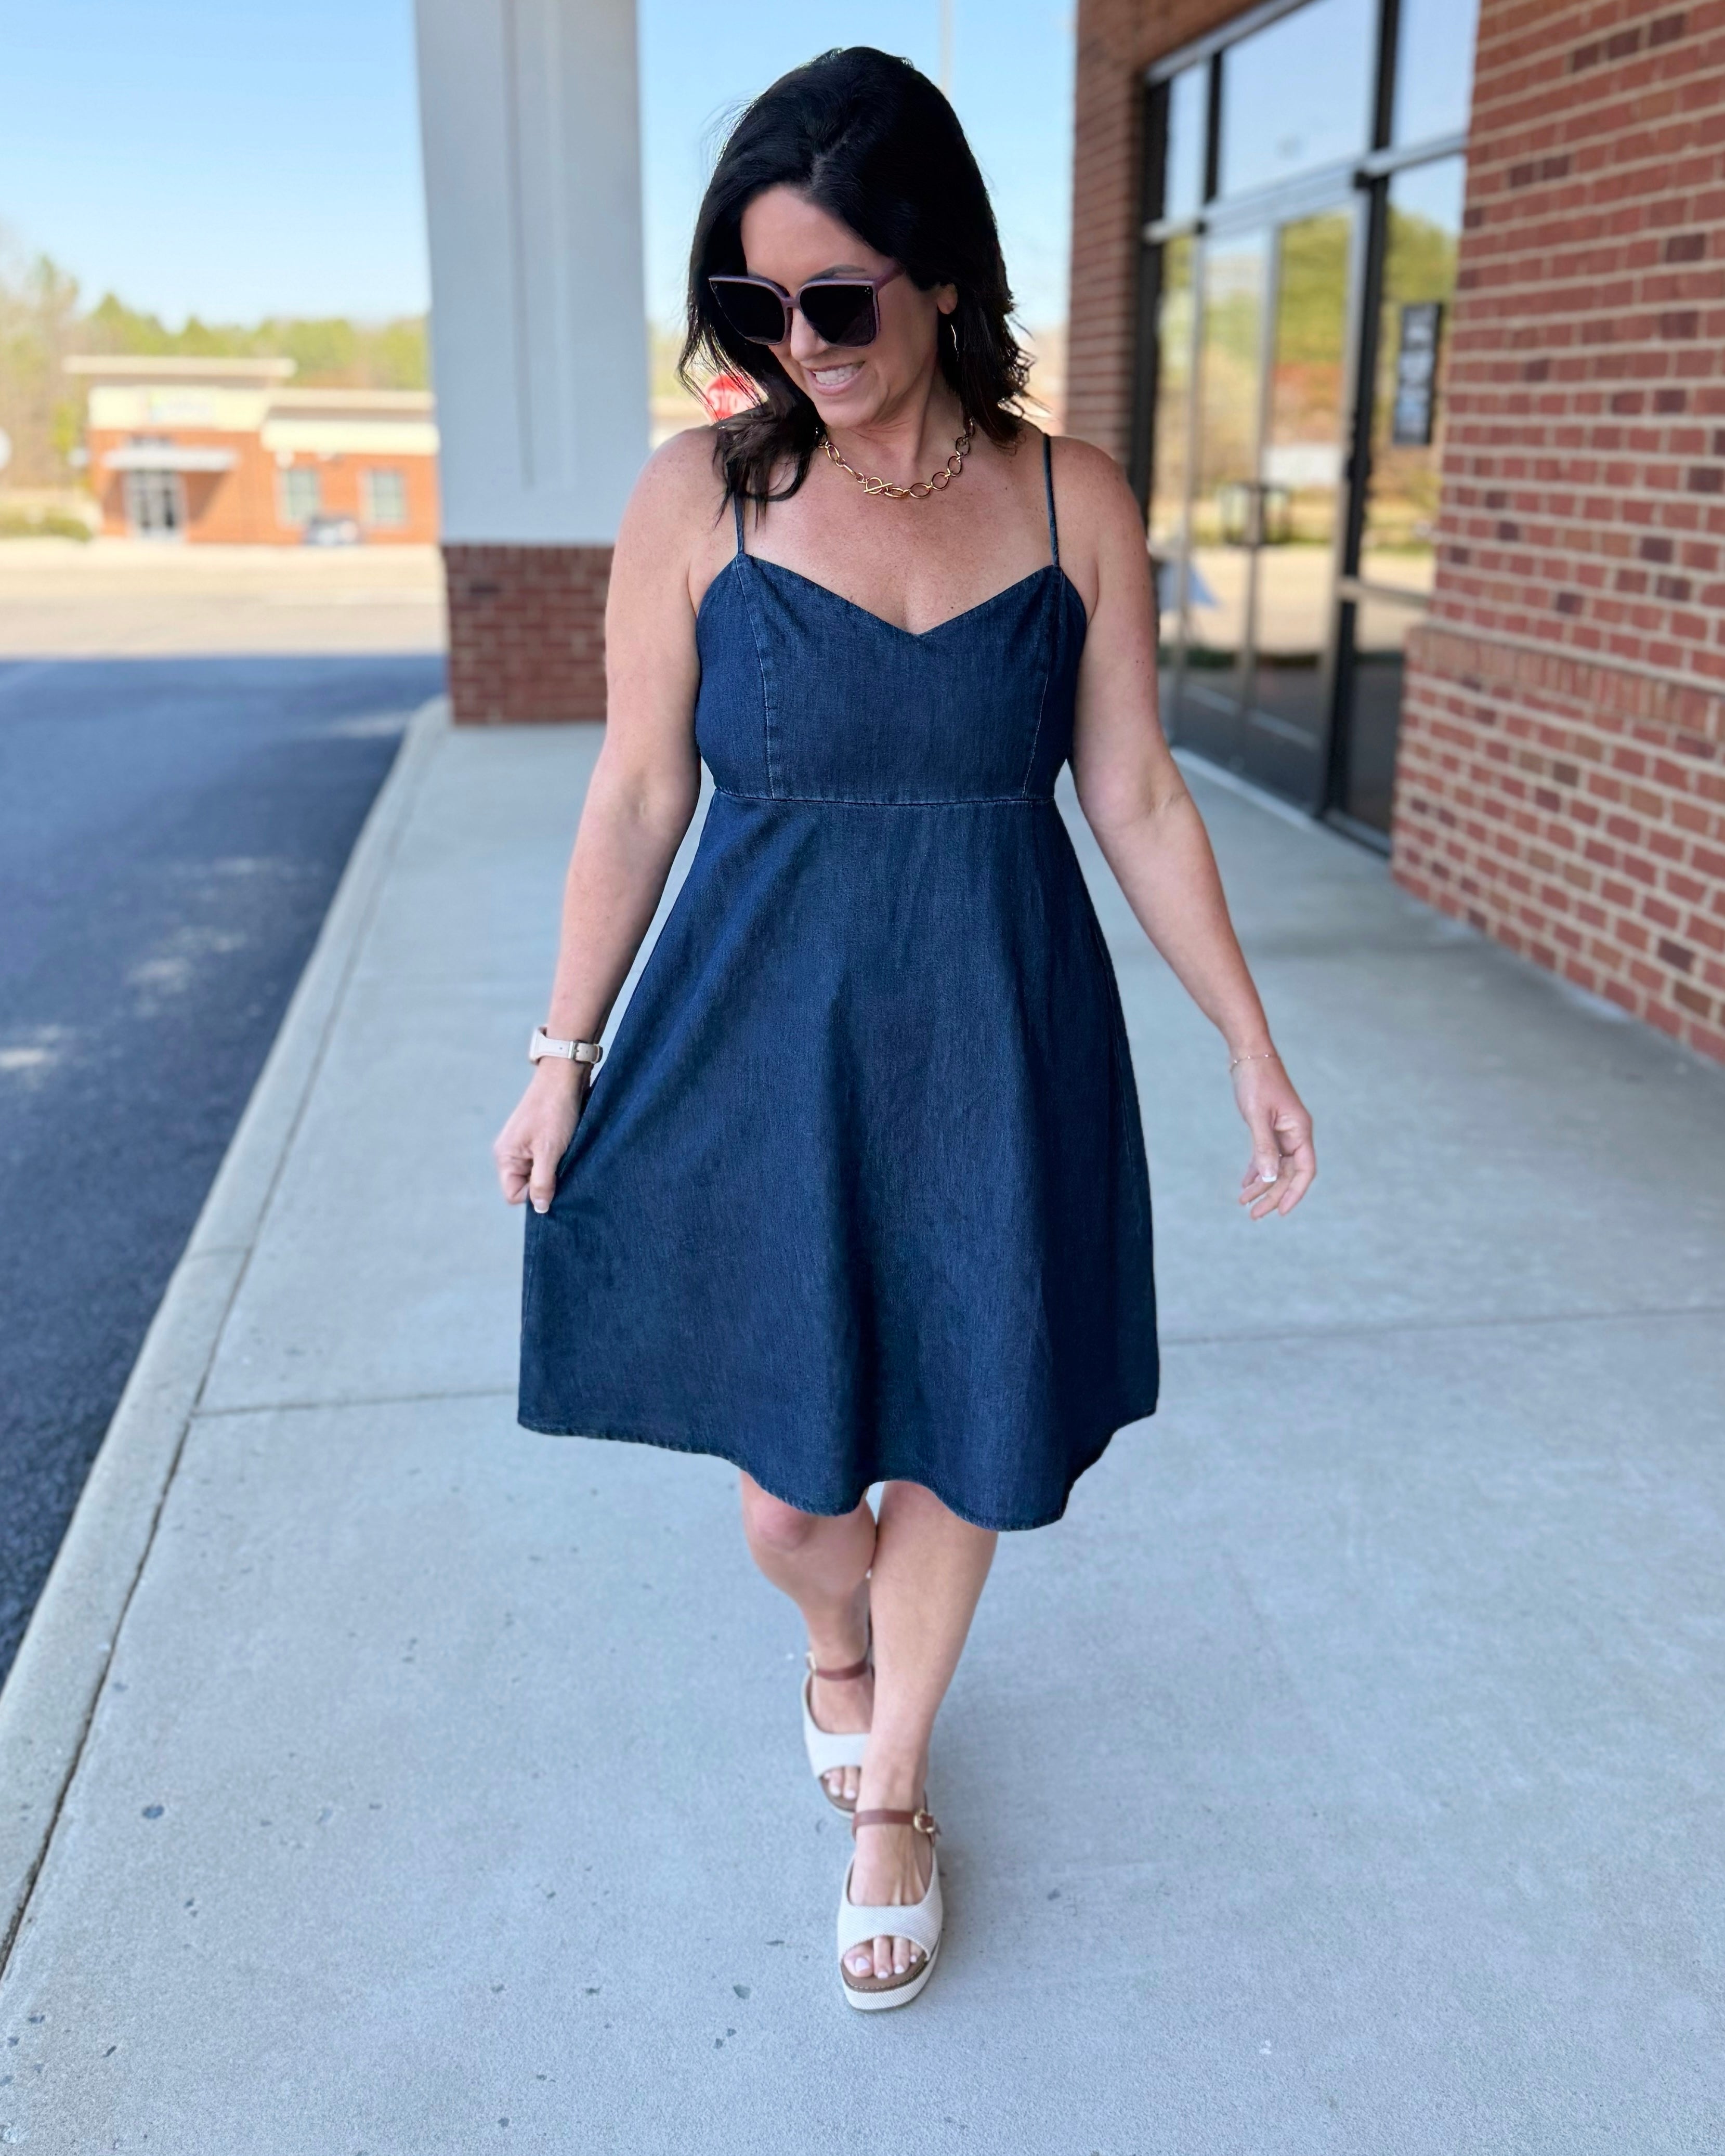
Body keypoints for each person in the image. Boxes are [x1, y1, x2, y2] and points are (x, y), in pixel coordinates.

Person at [492, 46, 1314, 2011]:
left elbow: (1137, 794)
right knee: (794, 1498)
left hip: (997, 1030)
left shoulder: (1070, 497)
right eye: (754, 305)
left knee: (963, 1419)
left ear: (942, 275)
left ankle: (897, 1794)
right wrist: (559, 1052)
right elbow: (636, 790)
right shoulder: (699, 496)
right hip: (762, 1037)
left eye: (838, 302)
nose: (799, 346)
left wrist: (1247, 1038)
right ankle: (837, 1643)